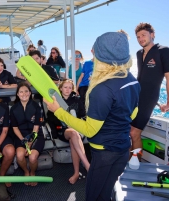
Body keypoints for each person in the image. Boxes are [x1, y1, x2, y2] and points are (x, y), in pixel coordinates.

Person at [44, 32, 140, 200]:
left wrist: (58, 110)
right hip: (123, 148)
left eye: (95, 51)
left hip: (104, 154)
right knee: (107, 192)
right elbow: (133, 113)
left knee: (93, 196)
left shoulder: (101, 89)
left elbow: (89, 130)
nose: (91, 52)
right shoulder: (132, 80)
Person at [130, 22, 169, 158]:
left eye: (143, 35)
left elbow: (168, 78)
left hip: (149, 98)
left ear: (152, 35)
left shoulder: (163, 51)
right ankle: (130, 161)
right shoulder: (139, 53)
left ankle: (136, 163)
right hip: (136, 97)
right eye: (138, 37)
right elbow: (140, 78)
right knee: (129, 131)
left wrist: (168, 103)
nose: (141, 39)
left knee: (135, 132)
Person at [46, 79, 89, 184]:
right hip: (62, 130)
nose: (67, 89)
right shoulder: (54, 101)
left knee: (73, 137)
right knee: (73, 134)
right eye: (65, 87)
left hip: (77, 128)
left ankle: (76, 173)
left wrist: (75, 123)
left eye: (70, 87)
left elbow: (83, 116)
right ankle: (88, 166)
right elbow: (50, 118)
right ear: (60, 88)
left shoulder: (77, 100)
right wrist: (64, 122)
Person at [10, 82, 45, 186]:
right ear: (17, 94)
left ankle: (33, 173)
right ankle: (26, 171)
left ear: (30, 93)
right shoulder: (13, 109)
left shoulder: (36, 106)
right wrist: (23, 140)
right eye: (21, 92)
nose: (24, 93)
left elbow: (36, 127)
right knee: (20, 156)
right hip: (20, 136)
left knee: (32, 157)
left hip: (35, 135)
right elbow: (15, 128)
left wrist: (30, 142)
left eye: (26, 91)